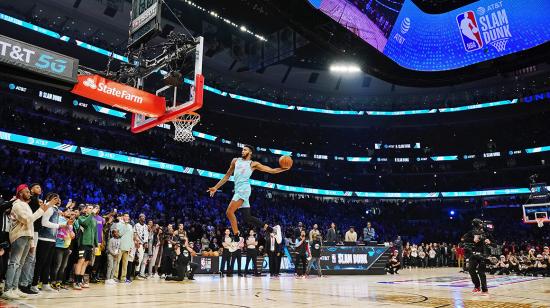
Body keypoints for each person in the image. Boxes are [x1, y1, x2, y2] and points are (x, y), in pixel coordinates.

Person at [207, 145, 289, 241]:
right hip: (238, 189)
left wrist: (284, 169)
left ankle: (237, 237)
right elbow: (227, 176)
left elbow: (271, 170)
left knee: (229, 212)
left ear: (250, 152)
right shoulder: (235, 161)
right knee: (247, 217)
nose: (242, 151)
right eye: (242, 149)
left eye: (245, 150)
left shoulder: (253, 164)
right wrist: (216, 187)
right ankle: (272, 230)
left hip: (244, 189)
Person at [3, 184, 48, 300]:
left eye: (29, 192)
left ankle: (14, 288)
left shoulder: (26, 206)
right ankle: (8, 289)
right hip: (19, 236)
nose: (29, 193)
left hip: (27, 236)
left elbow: (31, 226)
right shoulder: (17, 205)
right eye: (27, 192)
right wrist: (41, 210)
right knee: (14, 263)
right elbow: (27, 220)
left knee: (20, 264)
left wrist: (32, 242)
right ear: (20, 193)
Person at [32, 193, 65, 292]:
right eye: (55, 198)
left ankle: (45, 283)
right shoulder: (49, 208)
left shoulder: (55, 210)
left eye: (58, 198)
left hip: (52, 239)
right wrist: (59, 226)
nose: (58, 199)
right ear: (50, 199)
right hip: (44, 238)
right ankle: (34, 284)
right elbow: (44, 223)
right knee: (40, 263)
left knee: (48, 263)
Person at [18, 183, 43, 295]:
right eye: (37, 187)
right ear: (31, 190)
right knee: (28, 259)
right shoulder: (30, 201)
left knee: (32, 260)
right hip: (29, 230)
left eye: (40, 187)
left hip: (36, 231)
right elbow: (31, 218)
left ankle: (28, 283)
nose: (40, 189)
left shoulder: (38, 200)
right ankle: (23, 284)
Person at [463, 218, 493, 295]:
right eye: (479, 223)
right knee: (470, 270)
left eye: (481, 223)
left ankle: (484, 289)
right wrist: (473, 239)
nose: (481, 225)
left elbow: (494, 243)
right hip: (474, 254)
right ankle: (477, 286)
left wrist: (489, 242)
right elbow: (464, 238)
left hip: (483, 254)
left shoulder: (486, 232)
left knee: (481, 272)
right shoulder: (472, 232)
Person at [73, 204, 98, 290]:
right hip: (83, 243)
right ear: (86, 210)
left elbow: (95, 233)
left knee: (86, 263)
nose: (92, 210)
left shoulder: (94, 220)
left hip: (90, 245)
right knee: (81, 261)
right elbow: (85, 223)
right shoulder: (81, 218)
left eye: (92, 208)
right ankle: (76, 282)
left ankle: (80, 281)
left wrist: (96, 245)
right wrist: (91, 215)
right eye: (90, 208)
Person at [113, 213, 133, 283]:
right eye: (125, 216)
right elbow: (119, 234)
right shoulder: (119, 224)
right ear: (123, 217)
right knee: (117, 263)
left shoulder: (130, 226)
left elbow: (131, 236)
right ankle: (115, 277)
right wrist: (125, 225)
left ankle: (123, 278)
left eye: (128, 216)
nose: (127, 217)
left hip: (127, 247)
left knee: (125, 264)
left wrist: (131, 246)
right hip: (120, 246)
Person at [134, 214, 149, 279]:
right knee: (138, 259)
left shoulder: (145, 226)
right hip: (138, 243)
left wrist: (146, 242)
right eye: (142, 217)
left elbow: (146, 235)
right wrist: (138, 242)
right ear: (139, 218)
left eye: (144, 217)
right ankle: (136, 274)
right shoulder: (136, 225)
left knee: (142, 259)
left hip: (144, 244)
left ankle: (139, 273)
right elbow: (135, 234)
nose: (143, 218)